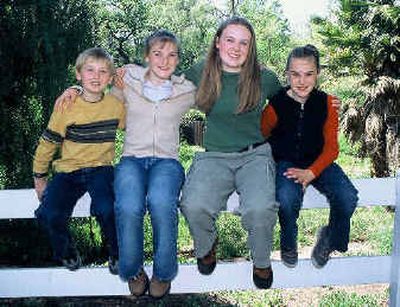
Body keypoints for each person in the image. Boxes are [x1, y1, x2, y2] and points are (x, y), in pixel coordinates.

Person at [55, 30, 196, 299]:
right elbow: (96, 84)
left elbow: (217, 96)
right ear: (146, 56)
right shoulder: (127, 77)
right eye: (157, 54)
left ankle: (164, 273)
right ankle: (133, 271)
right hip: (132, 159)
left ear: (178, 60)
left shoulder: (186, 89)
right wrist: (73, 89)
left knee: (161, 202)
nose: (164, 61)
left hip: (167, 162)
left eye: (171, 55)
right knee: (128, 206)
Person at [179, 16, 281, 289]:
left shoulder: (265, 78)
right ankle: (207, 245)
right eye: (230, 40)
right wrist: (81, 86)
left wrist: (324, 106)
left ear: (251, 48)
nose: (236, 48)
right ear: (217, 42)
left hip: (255, 155)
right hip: (214, 155)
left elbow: (293, 104)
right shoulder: (200, 71)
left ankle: (261, 262)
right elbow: (160, 77)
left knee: (259, 209)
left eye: (244, 43)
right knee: (192, 204)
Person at [260, 44, 358, 269]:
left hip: (320, 160)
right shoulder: (276, 105)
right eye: (295, 74)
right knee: (285, 197)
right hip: (286, 162)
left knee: (347, 196)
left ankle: (330, 239)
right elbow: (261, 134)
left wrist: (311, 173)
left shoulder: (327, 104)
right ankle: (288, 244)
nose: (302, 81)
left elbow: (332, 149)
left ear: (318, 74)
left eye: (308, 74)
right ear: (287, 74)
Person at [33, 47, 126, 275]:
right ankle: (66, 251)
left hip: (101, 170)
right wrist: (39, 177)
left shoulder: (115, 105)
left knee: (108, 209)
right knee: (49, 213)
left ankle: (117, 253)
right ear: (78, 74)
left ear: (110, 77)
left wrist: (124, 88)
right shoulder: (67, 105)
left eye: (103, 71)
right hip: (69, 171)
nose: (96, 76)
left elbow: (133, 125)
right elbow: (48, 143)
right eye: (90, 70)